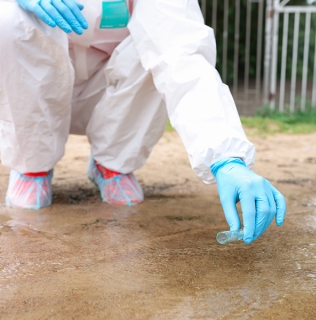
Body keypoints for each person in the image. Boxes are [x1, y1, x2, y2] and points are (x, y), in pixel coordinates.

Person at [0, 0, 286, 244]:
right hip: (36, 90)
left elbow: (180, 53)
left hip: (110, 94)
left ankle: (113, 163)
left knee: (157, 42)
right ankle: (32, 164)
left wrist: (225, 156)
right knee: (9, 18)